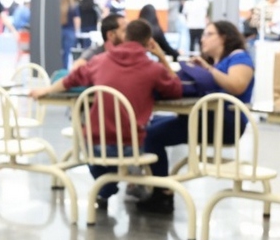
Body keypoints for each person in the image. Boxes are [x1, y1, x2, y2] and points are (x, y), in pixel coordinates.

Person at [29, 20, 182, 207]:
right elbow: (176, 90)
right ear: (149, 41)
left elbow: (71, 79)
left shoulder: (99, 61)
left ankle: (106, 187)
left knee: (93, 145)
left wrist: (47, 90)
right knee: (150, 134)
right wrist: (161, 57)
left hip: (95, 144)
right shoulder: (154, 69)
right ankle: (129, 183)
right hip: (131, 146)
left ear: (125, 37)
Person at [139, 21, 255, 214]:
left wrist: (208, 70)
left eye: (209, 34)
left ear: (224, 37)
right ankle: (153, 183)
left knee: (152, 135)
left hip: (225, 124)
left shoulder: (239, 57)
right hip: (205, 119)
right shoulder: (214, 63)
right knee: (149, 126)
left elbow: (237, 85)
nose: (202, 39)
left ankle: (162, 192)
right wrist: (161, 56)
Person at [60, 0, 81, 69]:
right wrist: (77, 31)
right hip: (70, 31)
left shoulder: (58, 6)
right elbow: (77, 20)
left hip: (60, 31)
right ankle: (64, 69)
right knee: (67, 52)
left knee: (59, 52)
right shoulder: (73, 6)